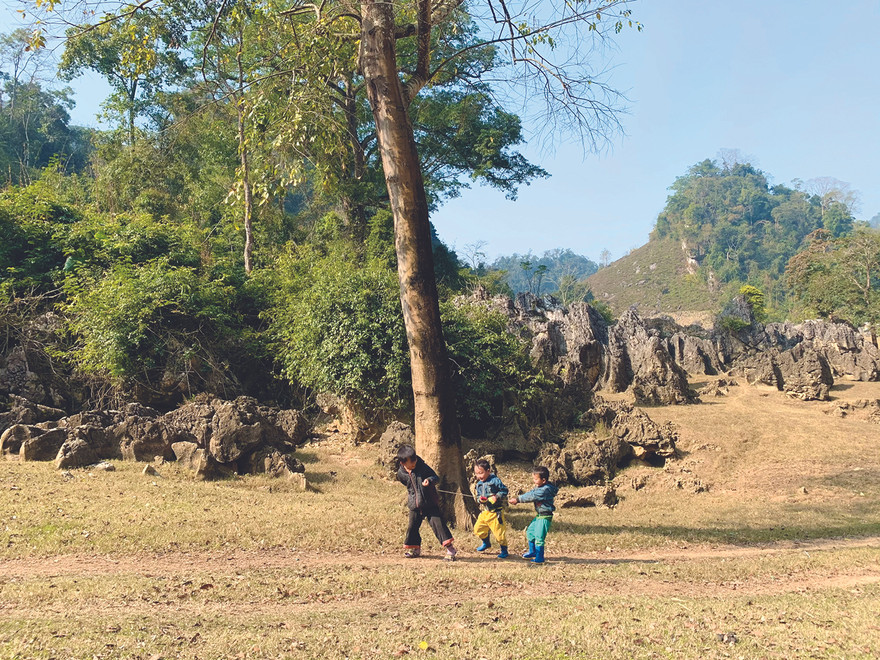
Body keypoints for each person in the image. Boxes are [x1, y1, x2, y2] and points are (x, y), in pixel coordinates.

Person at [396, 445, 457, 561]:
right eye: (411, 462)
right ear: (403, 463)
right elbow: (408, 486)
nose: (414, 463)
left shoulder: (422, 467)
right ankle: (415, 549)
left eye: (415, 460)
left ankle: (450, 550)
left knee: (438, 525)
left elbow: (435, 477)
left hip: (429, 502)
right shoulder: (401, 474)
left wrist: (429, 481)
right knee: (412, 527)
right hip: (414, 504)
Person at [508, 466, 558, 564]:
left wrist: (518, 500)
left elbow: (532, 496)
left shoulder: (545, 490)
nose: (534, 481)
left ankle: (540, 557)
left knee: (539, 537)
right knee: (530, 532)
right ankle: (533, 551)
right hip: (539, 515)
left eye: (536, 479)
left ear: (543, 480)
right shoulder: (539, 487)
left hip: (545, 517)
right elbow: (531, 493)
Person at [472, 459, 510, 558]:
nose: (479, 476)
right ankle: (486, 543)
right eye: (476, 473)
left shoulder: (495, 480)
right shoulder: (479, 484)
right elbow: (478, 496)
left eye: (481, 473)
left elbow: (504, 490)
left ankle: (504, 550)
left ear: (488, 471)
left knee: (499, 534)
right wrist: (480, 500)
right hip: (485, 512)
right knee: (478, 529)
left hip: (496, 513)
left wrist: (496, 496)